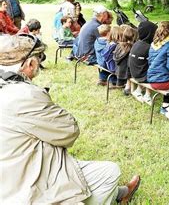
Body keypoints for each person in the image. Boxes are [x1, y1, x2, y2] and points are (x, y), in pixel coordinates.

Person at [0, 34, 140, 204]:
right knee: (110, 172)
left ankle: (120, 193)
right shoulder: (25, 95)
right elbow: (69, 131)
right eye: (39, 58)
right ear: (30, 63)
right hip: (21, 182)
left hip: (12, 164)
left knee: (75, 165)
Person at [129, 21, 160, 105]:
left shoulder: (136, 43)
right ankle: (147, 95)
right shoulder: (149, 47)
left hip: (134, 73)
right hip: (142, 76)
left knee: (147, 66)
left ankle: (138, 90)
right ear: (150, 33)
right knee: (157, 69)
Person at [114, 25, 138, 95]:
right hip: (126, 72)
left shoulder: (119, 45)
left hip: (118, 70)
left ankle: (126, 86)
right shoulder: (133, 47)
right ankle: (128, 87)